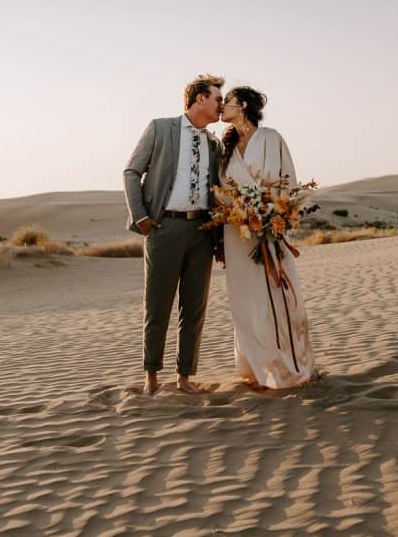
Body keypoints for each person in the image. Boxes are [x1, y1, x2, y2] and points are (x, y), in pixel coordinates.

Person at [123, 74, 224, 395]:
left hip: (202, 231)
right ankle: (151, 376)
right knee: (158, 305)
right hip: (164, 227)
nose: (221, 105)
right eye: (217, 98)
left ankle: (184, 377)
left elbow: (220, 189)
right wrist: (140, 216)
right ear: (199, 99)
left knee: (194, 307)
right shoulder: (160, 128)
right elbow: (131, 171)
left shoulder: (214, 143)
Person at [219, 86, 317, 389]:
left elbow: (288, 179)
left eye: (227, 102)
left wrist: (279, 215)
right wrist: (238, 213)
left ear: (244, 105)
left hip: (270, 230)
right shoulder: (227, 149)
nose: (222, 106)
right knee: (245, 300)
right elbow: (221, 193)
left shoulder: (271, 138)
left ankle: (289, 368)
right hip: (237, 234)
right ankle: (255, 368)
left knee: (277, 294)